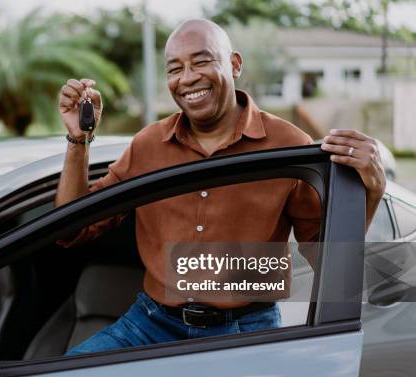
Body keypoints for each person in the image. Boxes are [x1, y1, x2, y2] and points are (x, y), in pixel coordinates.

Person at [55, 19, 386, 355]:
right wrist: (77, 140)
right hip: (151, 323)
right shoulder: (148, 145)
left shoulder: (288, 146)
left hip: (247, 329)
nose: (187, 78)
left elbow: (327, 258)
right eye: (175, 68)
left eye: (201, 61)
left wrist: (371, 192)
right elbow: (72, 230)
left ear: (235, 64)